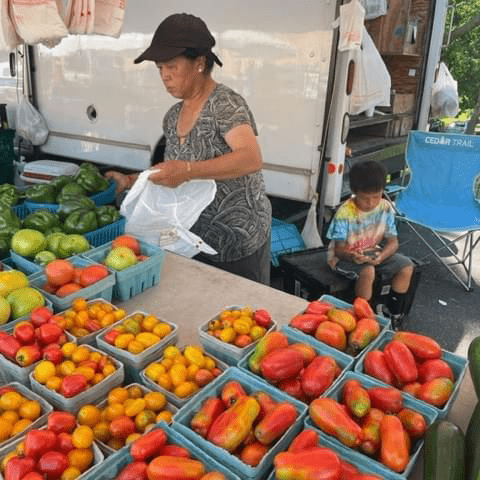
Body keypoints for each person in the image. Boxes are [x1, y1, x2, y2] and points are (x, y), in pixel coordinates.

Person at [106, 13, 272, 285]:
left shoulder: (225, 104)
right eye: (160, 69)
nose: (165, 77)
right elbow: (172, 172)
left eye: (171, 67)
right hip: (194, 240)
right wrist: (132, 180)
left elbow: (251, 158)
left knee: (245, 316)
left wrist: (188, 171)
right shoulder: (173, 116)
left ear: (200, 63)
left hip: (239, 241)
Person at [326, 160, 414, 328]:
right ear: (354, 192)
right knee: (368, 271)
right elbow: (338, 250)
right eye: (366, 198)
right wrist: (352, 256)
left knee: (406, 266)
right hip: (344, 258)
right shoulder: (345, 212)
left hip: (373, 253)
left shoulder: (385, 207)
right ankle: (364, 318)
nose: (372, 203)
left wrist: (382, 256)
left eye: (376, 196)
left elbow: (393, 242)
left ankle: (394, 313)